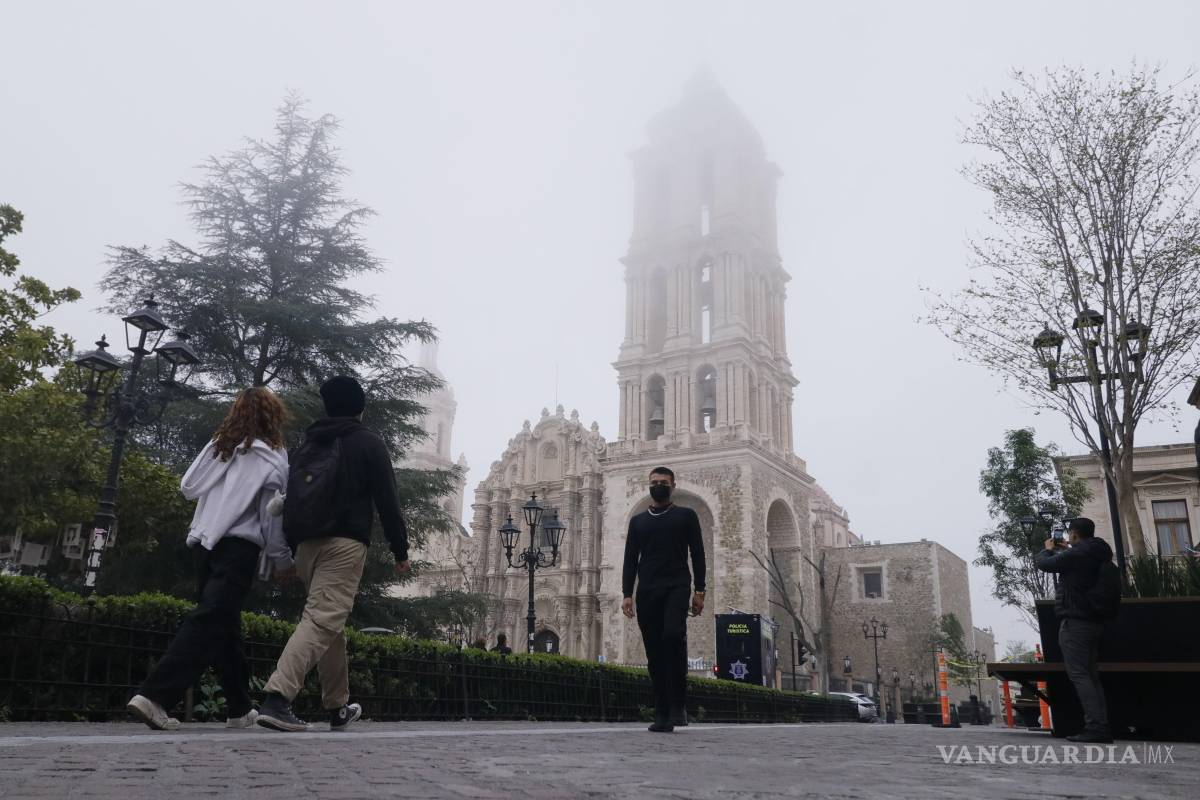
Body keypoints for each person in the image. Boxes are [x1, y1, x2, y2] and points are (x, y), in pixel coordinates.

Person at [127, 387, 291, 730]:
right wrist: (281, 560)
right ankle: (154, 696)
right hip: (239, 548)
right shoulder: (273, 458)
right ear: (273, 417)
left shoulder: (220, 447)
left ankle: (239, 707)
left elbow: (188, 486)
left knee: (223, 624)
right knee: (209, 620)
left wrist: (220, 446)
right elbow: (271, 516)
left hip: (204, 543)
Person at [256, 375, 410, 732]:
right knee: (321, 619)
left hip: (306, 545)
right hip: (344, 543)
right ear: (360, 408)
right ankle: (277, 698)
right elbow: (388, 500)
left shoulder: (307, 444)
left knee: (330, 622)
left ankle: (337, 706)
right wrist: (400, 550)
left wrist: (287, 552)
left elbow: (290, 500)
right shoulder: (368, 442)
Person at [622, 466, 706, 733]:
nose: (658, 486)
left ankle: (678, 705)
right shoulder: (638, 522)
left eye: (663, 482)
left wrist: (700, 591)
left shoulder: (686, 516)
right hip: (647, 590)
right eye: (654, 482)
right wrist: (627, 594)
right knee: (654, 651)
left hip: (677, 586)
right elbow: (630, 559)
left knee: (672, 636)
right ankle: (661, 711)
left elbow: (698, 554)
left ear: (673, 486)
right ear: (649, 485)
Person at [1034, 516, 1114, 743]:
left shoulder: (1078, 554)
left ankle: (1095, 726)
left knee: (1079, 674)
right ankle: (1101, 724)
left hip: (1076, 622)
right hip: (1094, 621)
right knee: (1091, 675)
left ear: (1074, 534)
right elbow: (1077, 561)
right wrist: (1069, 550)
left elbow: (1045, 564)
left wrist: (1047, 549)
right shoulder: (1096, 552)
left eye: (1070, 534)